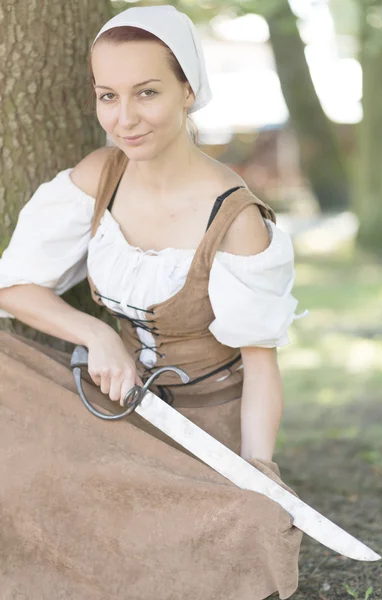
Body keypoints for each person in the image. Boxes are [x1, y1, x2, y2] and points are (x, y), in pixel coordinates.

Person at [0, 5, 308, 599]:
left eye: (146, 93)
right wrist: (97, 335)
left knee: (236, 529)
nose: (124, 119)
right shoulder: (99, 178)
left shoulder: (237, 219)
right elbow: (13, 287)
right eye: (107, 96)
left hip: (200, 425)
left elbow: (261, 367)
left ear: (188, 90)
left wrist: (258, 471)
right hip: (115, 404)